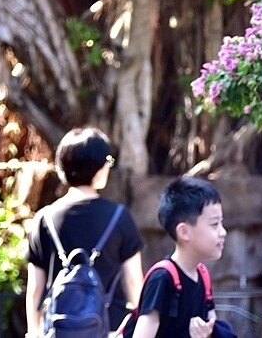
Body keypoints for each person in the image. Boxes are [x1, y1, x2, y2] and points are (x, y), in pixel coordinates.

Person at [25, 127, 145, 336]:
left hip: (58, 329)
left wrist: (33, 333)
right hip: (109, 330)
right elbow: (134, 281)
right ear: (98, 167)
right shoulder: (120, 217)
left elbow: (36, 287)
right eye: (107, 161)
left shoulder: (44, 220)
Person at [130, 176, 227, 338]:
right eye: (214, 224)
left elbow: (211, 327)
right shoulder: (162, 279)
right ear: (184, 231)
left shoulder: (202, 275)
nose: (222, 232)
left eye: (221, 223)